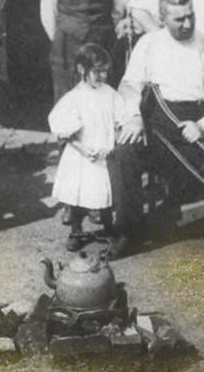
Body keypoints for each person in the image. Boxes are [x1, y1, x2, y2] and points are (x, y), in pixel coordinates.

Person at [115, 0, 204, 258]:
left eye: (190, 16)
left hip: (198, 125)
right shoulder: (149, 43)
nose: (188, 24)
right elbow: (130, 84)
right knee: (123, 152)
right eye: (179, 20)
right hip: (157, 123)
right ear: (162, 18)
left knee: (197, 172)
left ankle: (166, 216)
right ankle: (128, 232)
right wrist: (133, 116)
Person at [47, 43, 139, 252]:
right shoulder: (74, 98)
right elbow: (66, 134)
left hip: (104, 152)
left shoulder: (111, 94)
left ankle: (108, 227)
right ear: (82, 70)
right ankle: (76, 230)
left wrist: (113, 141)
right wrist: (83, 149)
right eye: (97, 71)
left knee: (103, 192)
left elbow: (119, 121)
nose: (102, 76)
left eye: (105, 71)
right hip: (82, 156)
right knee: (78, 194)